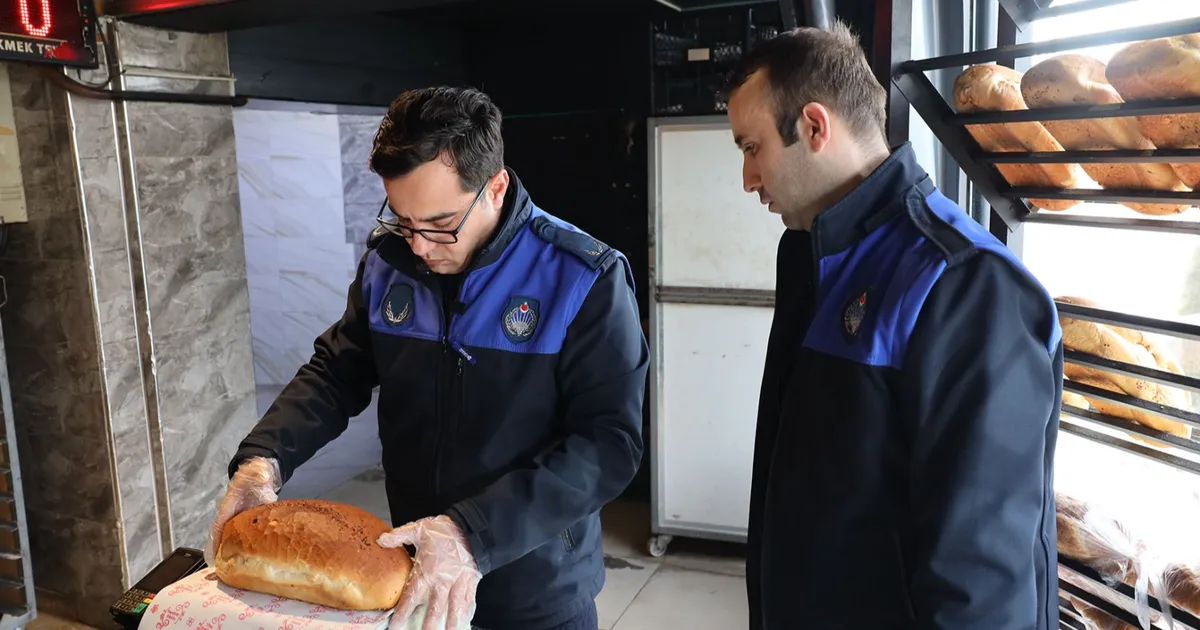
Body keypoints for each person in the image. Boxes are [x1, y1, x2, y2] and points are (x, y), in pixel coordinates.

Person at [204, 86, 649, 630]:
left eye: (440, 225)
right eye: (403, 220)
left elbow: (608, 445)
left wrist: (471, 533)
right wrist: (264, 457)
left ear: (496, 187)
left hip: (534, 584)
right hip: (415, 571)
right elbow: (335, 372)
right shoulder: (389, 264)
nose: (418, 246)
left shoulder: (582, 277)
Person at [725, 22, 1064, 630]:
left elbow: (979, 585)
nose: (748, 179)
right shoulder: (808, 255)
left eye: (752, 149)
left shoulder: (965, 286)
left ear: (814, 127)